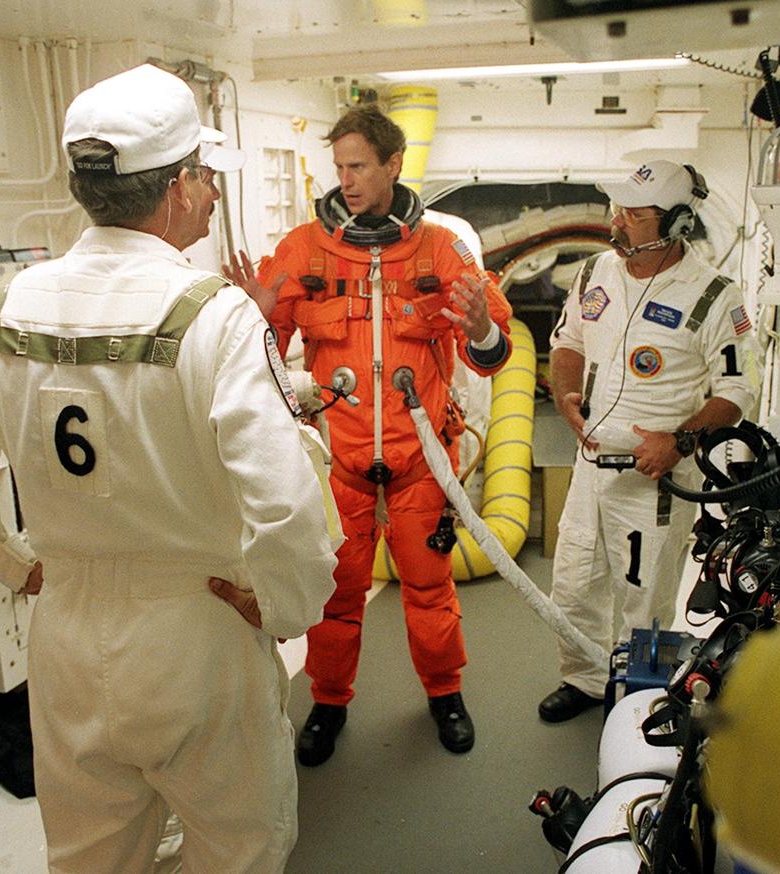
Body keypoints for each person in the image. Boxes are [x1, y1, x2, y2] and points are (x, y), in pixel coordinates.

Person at [0, 63, 338, 873]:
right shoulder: (213, 314)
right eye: (201, 177)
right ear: (174, 190)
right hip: (197, 630)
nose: (206, 195)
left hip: (66, 635)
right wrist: (282, 605)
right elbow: (286, 503)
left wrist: (13, 565)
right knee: (238, 850)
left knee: (92, 858)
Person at [227, 105, 513, 765]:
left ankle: (444, 692)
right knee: (335, 594)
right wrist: (257, 321)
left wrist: (478, 331)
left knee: (429, 586)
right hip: (339, 463)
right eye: (339, 168)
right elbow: (262, 368)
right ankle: (328, 703)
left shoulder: (443, 250)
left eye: (359, 166)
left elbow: (489, 357)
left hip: (419, 459)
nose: (347, 180)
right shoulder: (303, 251)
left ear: (393, 164)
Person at [538, 161, 762, 722]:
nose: (618, 224)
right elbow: (567, 343)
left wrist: (679, 441)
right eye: (618, 212)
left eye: (633, 217)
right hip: (592, 467)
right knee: (573, 586)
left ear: (678, 223)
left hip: (655, 475)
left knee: (647, 601)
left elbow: (739, 387)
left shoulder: (714, 296)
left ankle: (641, 692)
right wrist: (565, 395)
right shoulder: (595, 274)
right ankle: (587, 680)